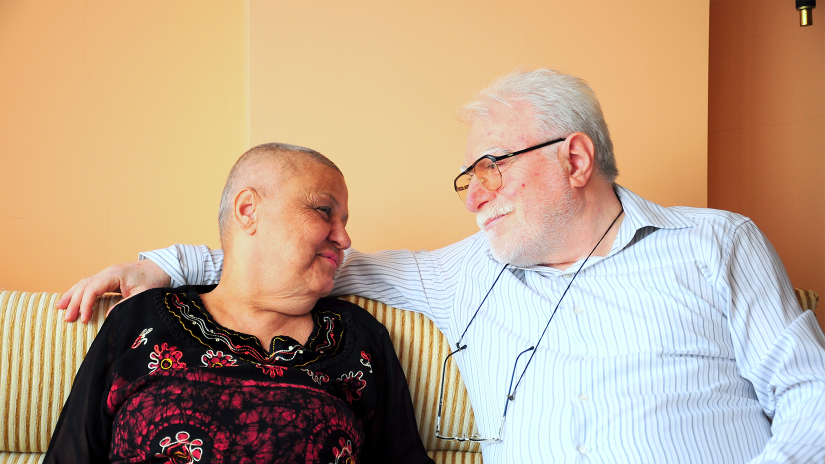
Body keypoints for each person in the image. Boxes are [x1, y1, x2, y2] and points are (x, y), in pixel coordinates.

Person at [59, 70, 825, 464]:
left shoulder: (717, 243)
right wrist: (162, 266)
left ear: (575, 158)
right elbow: (300, 266)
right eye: (469, 178)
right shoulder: (468, 271)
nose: (473, 197)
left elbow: (809, 394)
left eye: (490, 167)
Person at [46, 143, 434, 464]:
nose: (345, 238)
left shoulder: (360, 338)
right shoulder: (139, 318)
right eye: (323, 211)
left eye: (345, 221)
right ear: (248, 210)